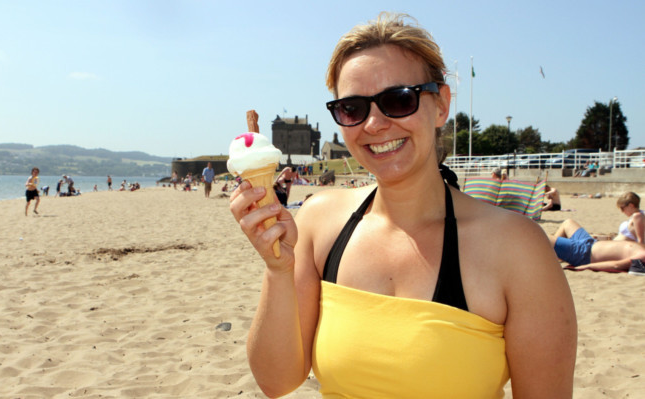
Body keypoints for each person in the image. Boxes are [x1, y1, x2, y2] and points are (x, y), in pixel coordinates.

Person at [229, 13, 576, 398]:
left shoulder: (516, 247)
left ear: (441, 105)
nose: (374, 124)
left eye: (399, 100)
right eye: (352, 108)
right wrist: (279, 270)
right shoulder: (319, 220)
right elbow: (276, 381)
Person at [549, 218, 645, 275]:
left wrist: (587, 266)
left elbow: (616, 265)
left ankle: (550, 252)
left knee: (542, 237)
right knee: (568, 222)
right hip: (590, 242)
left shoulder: (642, 255)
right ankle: (551, 254)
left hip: (583, 253)